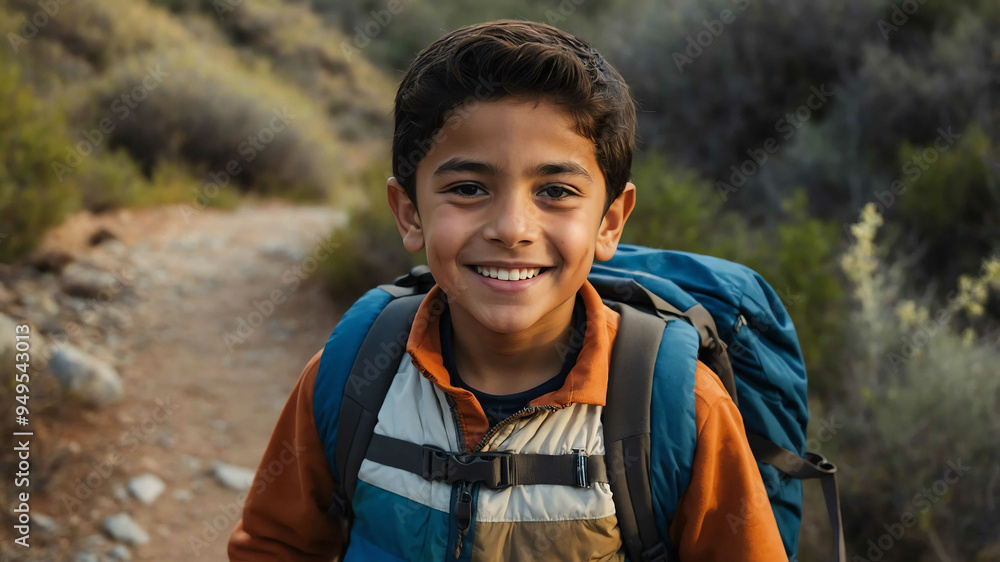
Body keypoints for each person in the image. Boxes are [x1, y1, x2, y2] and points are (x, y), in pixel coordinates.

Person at [228, 19, 786, 561]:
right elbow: (276, 545)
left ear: (610, 221)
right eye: (469, 188)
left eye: (556, 191)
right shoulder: (354, 374)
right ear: (409, 213)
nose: (512, 228)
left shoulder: (680, 407)